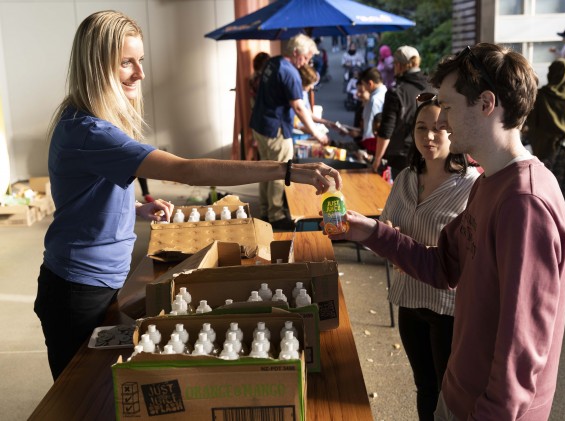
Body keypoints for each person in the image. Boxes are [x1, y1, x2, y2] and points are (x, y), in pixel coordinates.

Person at [34, 10, 342, 382]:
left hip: (95, 282)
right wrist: (288, 170)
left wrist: (132, 207)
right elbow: (187, 170)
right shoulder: (91, 131)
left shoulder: (82, 119)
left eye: (140, 61)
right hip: (78, 290)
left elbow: (81, 194)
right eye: (126, 63)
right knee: (80, 396)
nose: (140, 74)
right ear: (96, 66)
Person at [328, 43, 565, 420]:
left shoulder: (525, 203)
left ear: (486, 104)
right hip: (458, 392)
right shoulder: (489, 183)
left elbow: (523, 351)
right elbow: (442, 266)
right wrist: (370, 232)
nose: (441, 121)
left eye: (450, 106)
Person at [381, 94, 479, 421]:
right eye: (421, 128)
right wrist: (388, 231)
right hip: (409, 298)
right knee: (424, 385)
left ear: (454, 131)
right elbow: (386, 224)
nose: (429, 136)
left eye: (439, 128)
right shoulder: (406, 177)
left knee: (448, 392)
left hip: (448, 307)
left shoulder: (471, 186)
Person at [250, 34, 329, 229]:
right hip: (274, 128)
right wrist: (317, 134)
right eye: (306, 57)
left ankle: (265, 208)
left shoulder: (272, 62)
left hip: (260, 125)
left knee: (264, 169)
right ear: (296, 53)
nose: (307, 62)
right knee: (280, 169)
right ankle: (275, 215)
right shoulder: (290, 72)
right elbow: (300, 108)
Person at [374, 46, 435, 177]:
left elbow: (386, 130)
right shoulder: (434, 88)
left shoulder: (396, 92)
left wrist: (377, 159)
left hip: (401, 157)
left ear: (400, 65)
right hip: (430, 153)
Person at [358, 67, 387, 157]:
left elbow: (369, 126)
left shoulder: (374, 100)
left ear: (370, 83)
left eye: (364, 85)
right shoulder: (386, 93)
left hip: (372, 145)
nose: (365, 89)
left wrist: (365, 148)